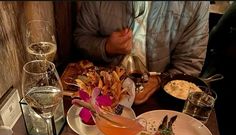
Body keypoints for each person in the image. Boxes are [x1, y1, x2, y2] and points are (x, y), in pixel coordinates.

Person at [73, 1, 210, 77]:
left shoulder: (196, 4)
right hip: (102, 84)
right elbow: (81, 38)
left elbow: (189, 64)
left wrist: (157, 83)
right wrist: (106, 47)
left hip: (159, 93)